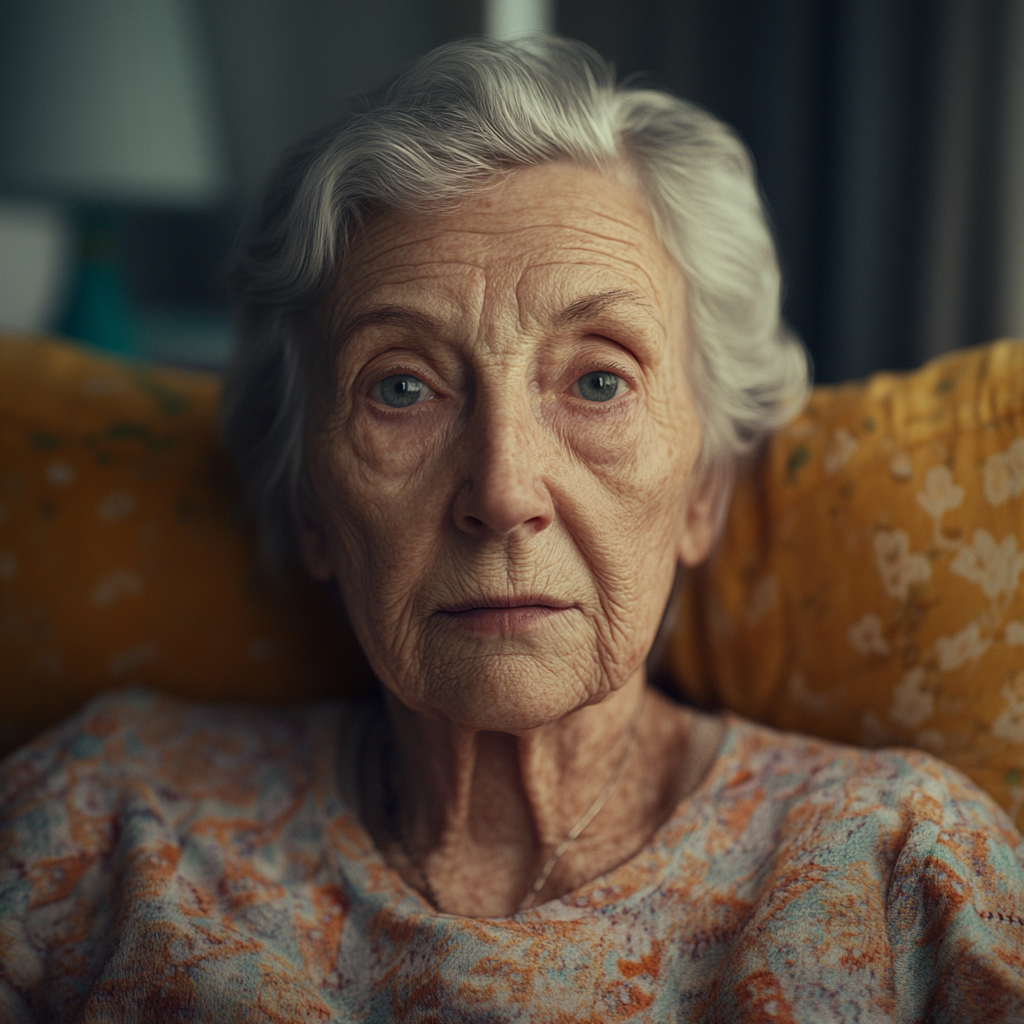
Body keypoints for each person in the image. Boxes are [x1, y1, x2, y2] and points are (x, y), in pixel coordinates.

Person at [2, 36, 1023, 1023]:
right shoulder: (104, 824)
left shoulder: (895, 867)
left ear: (704, 488)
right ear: (309, 500)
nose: (501, 490)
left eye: (596, 380)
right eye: (401, 387)